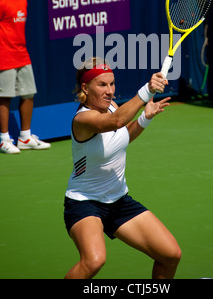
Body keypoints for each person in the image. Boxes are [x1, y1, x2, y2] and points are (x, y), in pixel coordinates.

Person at [64, 57, 182, 279]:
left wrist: (145, 119)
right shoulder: (82, 120)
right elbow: (116, 122)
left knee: (171, 254)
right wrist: (147, 90)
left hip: (118, 200)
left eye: (112, 83)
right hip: (84, 203)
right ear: (85, 88)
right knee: (93, 261)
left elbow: (122, 136)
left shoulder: (111, 107)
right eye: (102, 85)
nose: (109, 91)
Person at [0, 0, 50, 154]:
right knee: (5, 97)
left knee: (28, 94)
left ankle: (25, 137)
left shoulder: (23, 1)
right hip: (3, 55)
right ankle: (4, 140)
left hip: (22, 54)